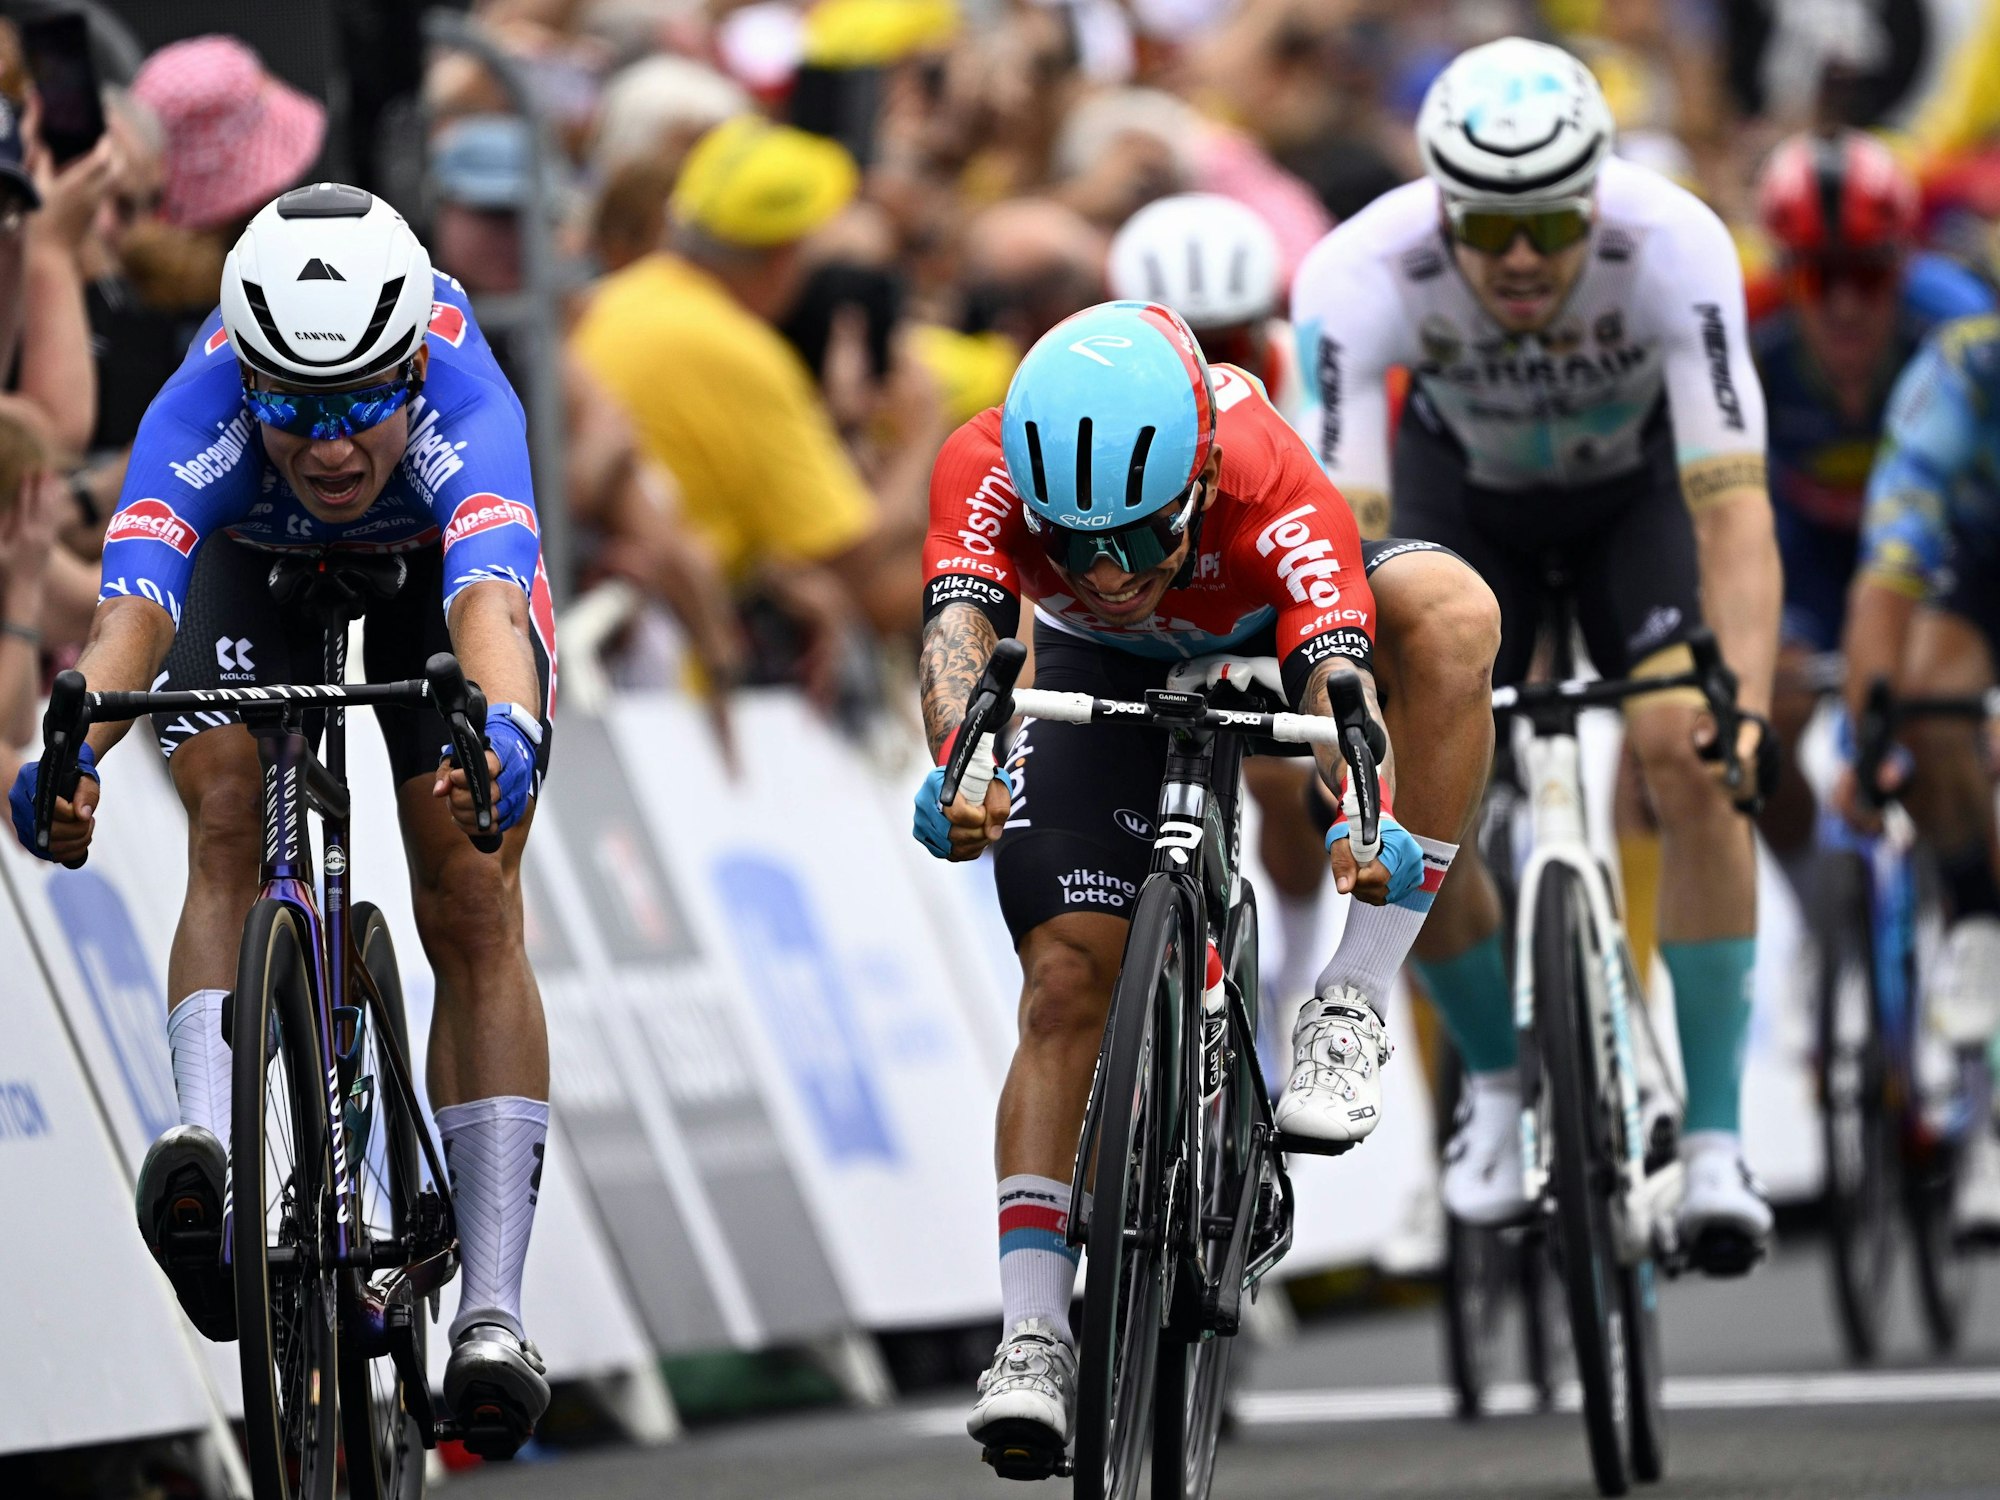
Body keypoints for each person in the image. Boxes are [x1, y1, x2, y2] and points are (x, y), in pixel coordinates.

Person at [6, 183, 557, 1452]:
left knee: (472, 884)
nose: (328, 444)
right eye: (294, 409)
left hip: (431, 578)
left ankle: (491, 1306)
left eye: (362, 401)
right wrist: (71, 753)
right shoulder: (198, 404)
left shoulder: (471, 404)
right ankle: (211, 1145)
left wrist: (509, 734)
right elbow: (132, 615)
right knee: (224, 809)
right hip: (248, 569)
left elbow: (488, 603)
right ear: (246, 371)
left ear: (410, 362)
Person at [914, 299, 1500, 1458]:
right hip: (1092, 666)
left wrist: (1362, 808)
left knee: (1452, 614)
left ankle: (1350, 994)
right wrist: (957, 764)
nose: (1105, 567)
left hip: (1262, 626)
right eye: (1071, 542)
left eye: (1135, 536)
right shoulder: (980, 465)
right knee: (1062, 986)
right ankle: (1033, 1335)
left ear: (1197, 481)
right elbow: (959, 636)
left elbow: (1338, 675)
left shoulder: (1266, 477)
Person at [1292, 37, 1783, 1271]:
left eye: (1552, 230)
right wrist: (1342, 725)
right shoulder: (1356, 272)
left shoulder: (1674, 246)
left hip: (1636, 502)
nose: (1518, 259)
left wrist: (1751, 709)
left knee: (1686, 745)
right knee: (1409, 791)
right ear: (1439, 208)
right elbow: (1335, 551)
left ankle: (1716, 1143)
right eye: (1488, 228)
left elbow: (1731, 514)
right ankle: (1500, 1090)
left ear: (1598, 202)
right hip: (1458, 505)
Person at [571, 115, 926, 701]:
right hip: (669, 686)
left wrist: (772, 570)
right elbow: (850, 556)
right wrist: (921, 440)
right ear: (784, 255)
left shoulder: (613, 297)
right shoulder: (739, 352)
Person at [1751, 130, 1992, 879]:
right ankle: (1807, 887)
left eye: (1869, 274)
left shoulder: (1955, 324)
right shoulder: (1746, 330)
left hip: (1944, 546)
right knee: (1769, 712)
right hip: (1810, 553)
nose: (1849, 305)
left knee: (1927, 700)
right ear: (1787, 276)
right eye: (1823, 278)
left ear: (1902, 265)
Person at [1839, 311, 2000, 1240]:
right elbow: (1888, 575)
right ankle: (1974, 908)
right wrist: (1872, 744)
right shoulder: (1962, 373)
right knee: (1931, 694)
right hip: (1980, 572)